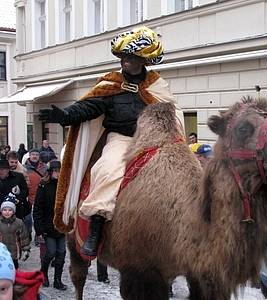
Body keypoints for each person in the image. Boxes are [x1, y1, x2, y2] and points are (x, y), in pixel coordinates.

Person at [38, 26, 184, 256]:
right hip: (122, 140)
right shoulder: (111, 84)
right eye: (122, 56)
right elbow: (88, 107)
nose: (125, 60)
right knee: (107, 170)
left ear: (142, 60)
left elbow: (171, 116)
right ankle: (96, 225)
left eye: (131, 56)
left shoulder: (157, 86)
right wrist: (65, 116)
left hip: (153, 141)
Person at [33, 160, 67, 290]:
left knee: (61, 253)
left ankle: (57, 280)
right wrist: (39, 229)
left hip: (61, 226)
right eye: (56, 171)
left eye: (59, 171)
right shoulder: (43, 186)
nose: (58, 173)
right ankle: (43, 273)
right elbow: (37, 209)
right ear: (50, 172)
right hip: (48, 225)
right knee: (51, 252)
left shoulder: (64, 186)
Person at [0, 199, 30, 269]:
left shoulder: (19, 223)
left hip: (14, 253)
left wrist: (26, 250)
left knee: (14, 271)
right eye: (5, 210)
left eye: (10, 210)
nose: (7, 212)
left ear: (13, 211)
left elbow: (24, 237)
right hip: (1, 254)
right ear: (1, 211)